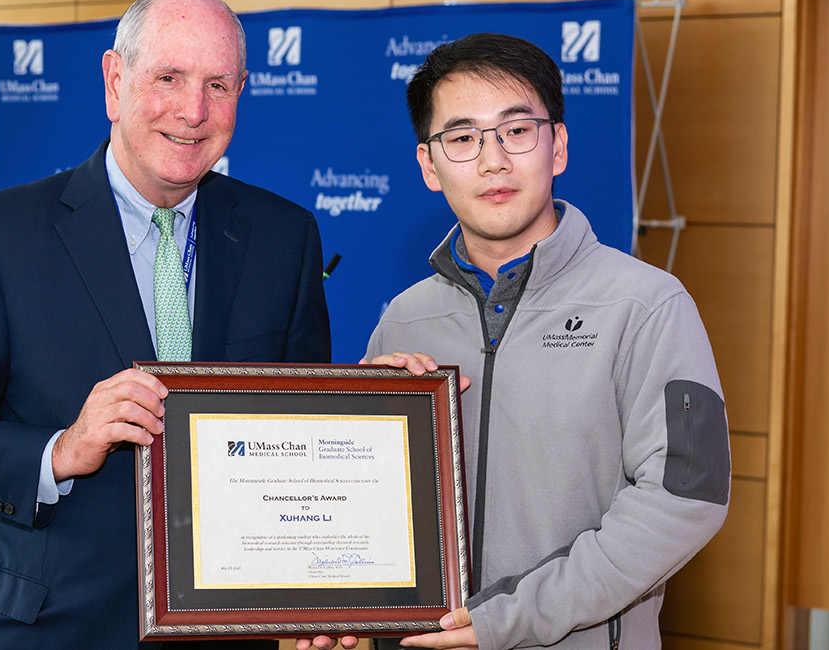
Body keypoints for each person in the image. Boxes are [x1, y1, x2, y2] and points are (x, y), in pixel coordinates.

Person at [0, 0, 330, 650]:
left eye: (219, 84)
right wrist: (60, 449)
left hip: (221, 630)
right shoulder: (2, 233)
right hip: (34, 628)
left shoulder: (283, 237)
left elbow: (304, 439)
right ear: (115, 80)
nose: (193, 109)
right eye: (169, 77)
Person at [303, 32, 730, 650]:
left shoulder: (648, 305)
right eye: (462, 137)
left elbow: (687, 496)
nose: (492, 160)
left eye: (516, 131)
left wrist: (511, 617)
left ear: (557, 146)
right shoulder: (404, 320)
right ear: (429, 165)